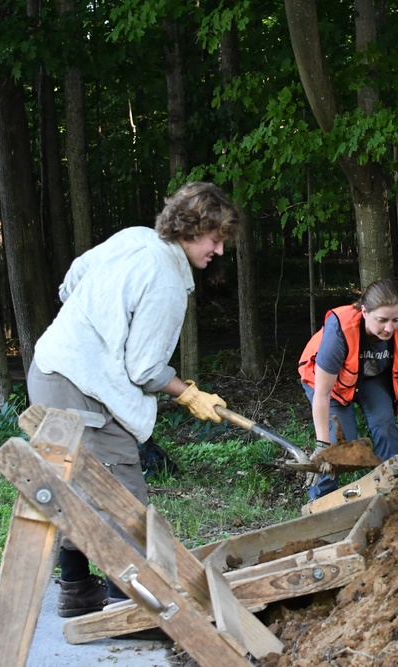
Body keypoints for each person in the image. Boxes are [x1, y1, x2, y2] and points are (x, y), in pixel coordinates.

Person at [27, 181, 240, 617]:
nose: (218, 251)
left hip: (49, 370)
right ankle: (128, 606)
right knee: (121, 498)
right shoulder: (165, 279)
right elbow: (143, 371)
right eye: (215, 239)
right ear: (192, 228)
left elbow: (71, 281)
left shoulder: (135, 237)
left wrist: (89, 334)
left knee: (75, 488)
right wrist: (189, 394)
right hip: (81, 389)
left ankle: (76, 588)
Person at [298, 279, 398, 501]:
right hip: (331, 384)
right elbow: (322, 393)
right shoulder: (340, 329)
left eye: (395, 320)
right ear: (364, 311)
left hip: (370, 377)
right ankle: (319, 501)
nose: (389, 328)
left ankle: (391, 492)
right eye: (382, 320)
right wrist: (322, 446)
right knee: (339, 448)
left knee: (385, 424)